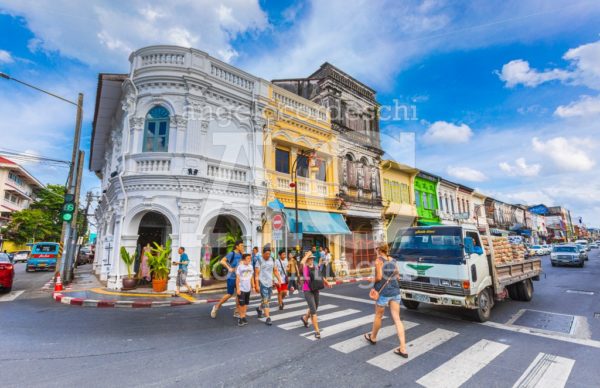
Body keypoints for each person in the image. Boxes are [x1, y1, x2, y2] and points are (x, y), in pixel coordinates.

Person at [364, 244, 408, 358]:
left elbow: (378, 277)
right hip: (395, 292)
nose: (375, 250)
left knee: (378, 316)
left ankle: (373, 337)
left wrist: (370, 279)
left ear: (379, 250)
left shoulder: (379, 260)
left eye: (376, 249)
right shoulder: (393, 260)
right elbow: (398, 275)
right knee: (397, 319)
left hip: (383, 293)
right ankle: (403, 348)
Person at [300, 251, 331, 339]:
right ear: (307, 260)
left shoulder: (315, 267)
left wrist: (326, 282)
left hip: (315, 289)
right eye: (310, 259)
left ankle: (305, 318)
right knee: (313, 311)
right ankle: (317, 331)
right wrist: (307, 255)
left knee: (315, 306)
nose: (311, 260)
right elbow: (302, 262)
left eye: (312, 258)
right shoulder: (305, 267)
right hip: (307, 290)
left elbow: (320, 277)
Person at [211, 240, 244, 319]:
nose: (242, 247)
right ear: (237, 246)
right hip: (232, 277)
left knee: (239, 294)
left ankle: (236, 312)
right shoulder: (231, 254)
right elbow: (222, 261)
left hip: (239, 277)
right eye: (241, 245)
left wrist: (243, 253)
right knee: (229, 294)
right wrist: (229, 268)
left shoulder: (241, 254)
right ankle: (216, 307)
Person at [254, 244, 282, 326]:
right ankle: (268, 318)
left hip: (270, 283)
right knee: (266, 300)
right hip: (262, 283)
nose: (268, 255)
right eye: (266, 254)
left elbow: (275, 271)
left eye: (269, 254)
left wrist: (279, 280)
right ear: (263, 253)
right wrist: (256, 285)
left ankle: (259, 308)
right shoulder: (259, 260)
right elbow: (256, 274)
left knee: (267, 299)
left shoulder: (272, 259)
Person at [235, 253, 255, 326]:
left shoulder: (251, 266)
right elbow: (237, 278)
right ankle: (240, 317)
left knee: (246, 304)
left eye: (250, 258)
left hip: (248, 288)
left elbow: (251, 277)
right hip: (241, 288)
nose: (249, 260)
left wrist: (253, 286)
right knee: (241, 304)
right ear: (244, 259)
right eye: (248, 258)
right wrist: (238, 289)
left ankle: (244, 317)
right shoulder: (240, 267)